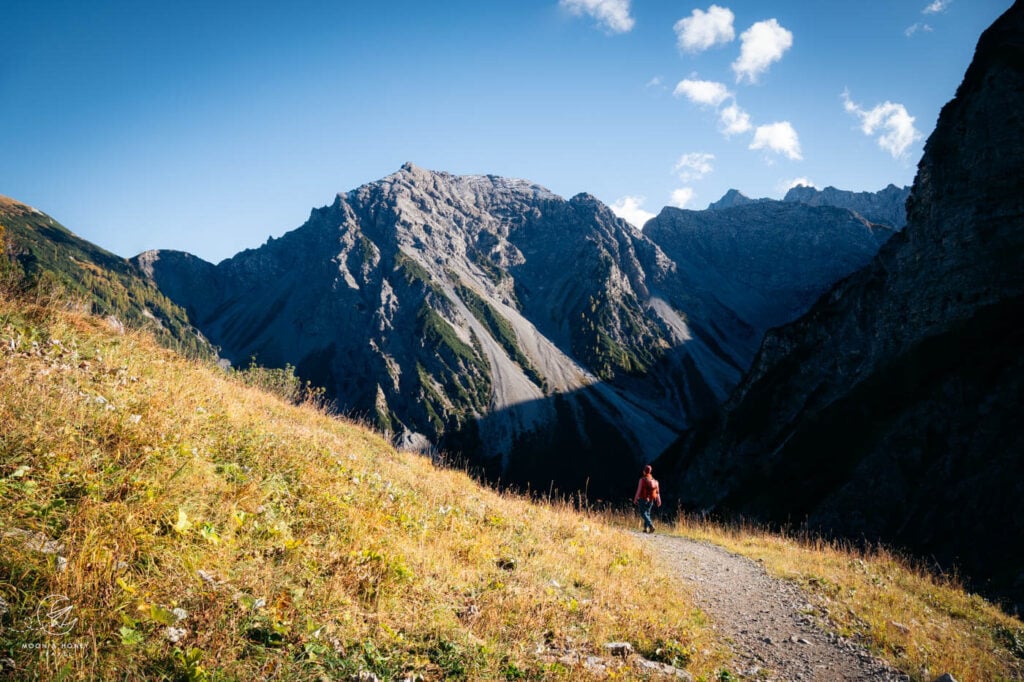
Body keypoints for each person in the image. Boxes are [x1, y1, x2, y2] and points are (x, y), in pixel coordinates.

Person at [633, 464, 661, 533]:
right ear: (650, 471)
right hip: (651, 500)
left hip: (643, 498)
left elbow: (639, 490)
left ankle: (651, 526)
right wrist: (658, 500)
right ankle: (645, 529)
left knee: (643, 513)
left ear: (644, 471)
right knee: (647, 513)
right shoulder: (655, 481)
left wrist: (635, 499)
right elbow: (657, 492)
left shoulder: (642, 480)